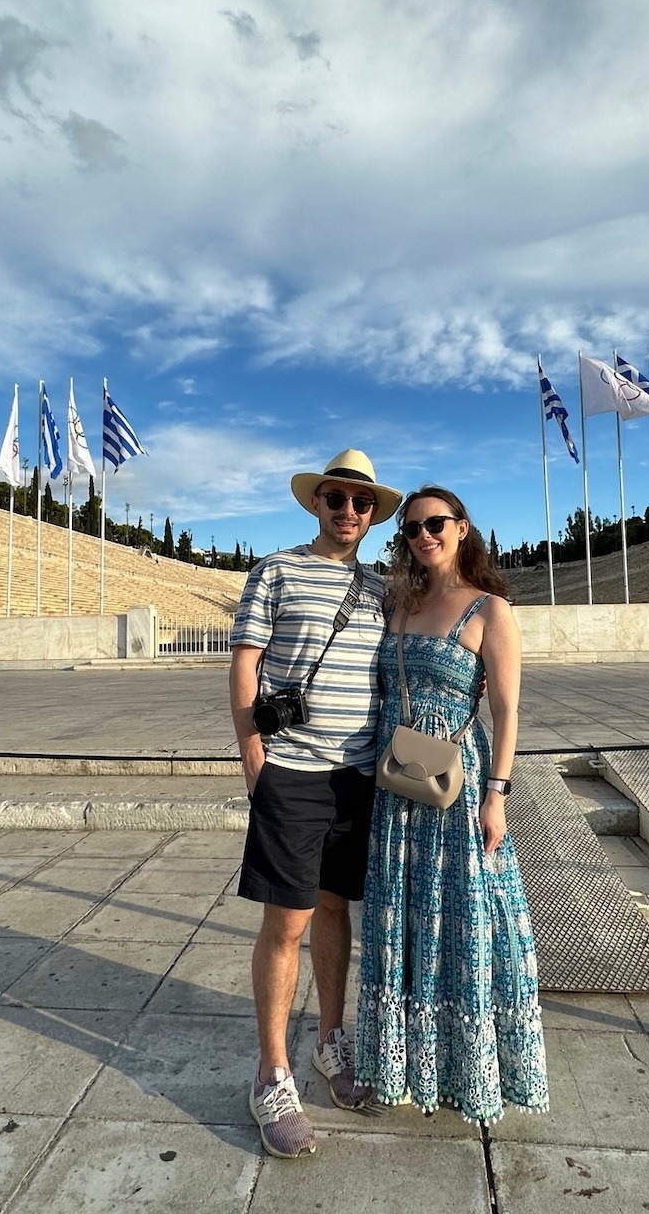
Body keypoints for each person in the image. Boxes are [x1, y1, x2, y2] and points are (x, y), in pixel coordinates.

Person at [355, 486, 549, 1123]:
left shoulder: (490, 610)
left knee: (459, 923)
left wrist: (498, 795)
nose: (423, 535)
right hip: (396, 784)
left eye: (436, 523)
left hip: (457, 790)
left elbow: (508, 709)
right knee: (402, 920)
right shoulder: (400, 603)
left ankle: (463, 1072)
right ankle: (403, 1067)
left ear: (463, 528)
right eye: (412, 528)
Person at [229, 449, 402, 1158]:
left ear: (372, 514)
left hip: (357, 777)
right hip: (292, 773)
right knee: (288, 922)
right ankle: (271, 1073)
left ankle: (332, 1042)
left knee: (336, 910)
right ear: (316, 504)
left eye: (361, 503)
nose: (348, 511)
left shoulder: (381, 588)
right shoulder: (273, 570)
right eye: (336, 498)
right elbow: (244, 662)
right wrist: (255, 764)